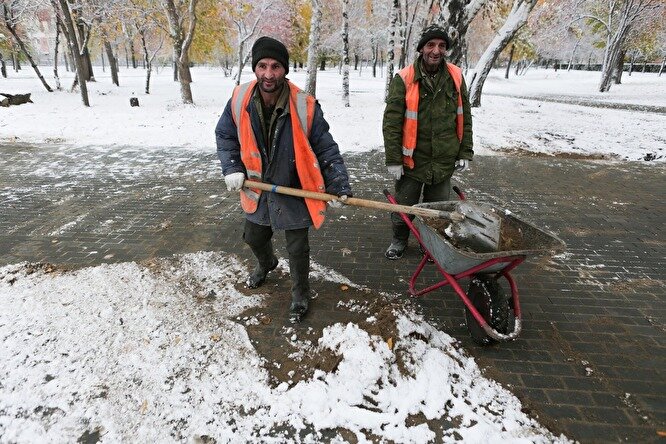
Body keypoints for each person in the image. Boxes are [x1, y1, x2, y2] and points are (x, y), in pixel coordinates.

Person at [216, 36, 352, 322]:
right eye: (262, 66)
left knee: (298, 248)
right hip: (257, 188)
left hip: (293, 188)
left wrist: (338, 185)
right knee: (254, 237)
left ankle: (300, 293)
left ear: (285, 69)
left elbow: (326, 148)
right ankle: (267, 263)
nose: (268, 74)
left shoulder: (305, 105)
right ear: (255, 68)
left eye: (275, 66)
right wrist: (231, 167)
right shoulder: (240, 98)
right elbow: (226, 134)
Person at [383, 24, 473, 260]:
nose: (436, 50)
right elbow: (391, 123)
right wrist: (394, 159)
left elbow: (466, 115)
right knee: (405, 207)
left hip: (444, 159)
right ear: (421, 48)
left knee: (438, 210)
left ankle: (429, 242)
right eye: (431, 45)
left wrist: (465, 151)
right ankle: (399, 239)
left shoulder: (455, 76)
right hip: (413, 159)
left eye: (442, 46)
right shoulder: (404, 79)